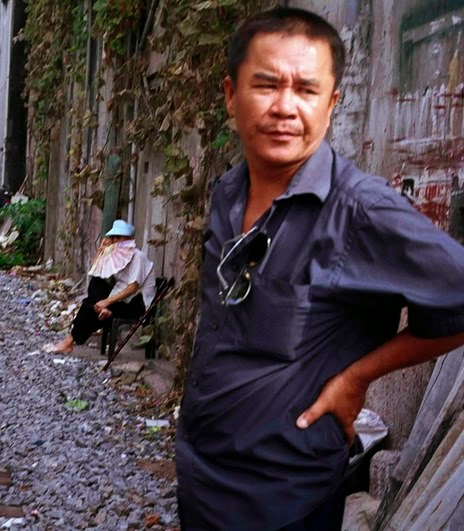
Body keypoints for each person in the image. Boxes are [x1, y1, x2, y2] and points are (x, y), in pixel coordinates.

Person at [175, 7, 464, 530]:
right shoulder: (228, 193)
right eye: (266, 85)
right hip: (202, 475)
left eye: (306, 90)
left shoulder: (360, 212)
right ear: (231, 94)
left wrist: (358, 376)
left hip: (286, 499)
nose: (285, 107)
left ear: (331, 104)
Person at [50, 219, 157, 353]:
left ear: (129, 239)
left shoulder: (138, 257)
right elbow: (95, 271)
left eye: (119, 237)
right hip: (120, 300)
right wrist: (100, 251)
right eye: (113, 238)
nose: (115, 241)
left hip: (137, 304)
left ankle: (69, 341)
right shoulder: (118, 257)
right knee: (96, 283)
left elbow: (132, 288)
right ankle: (98, 315)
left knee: (90, 305)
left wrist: (106, 302)